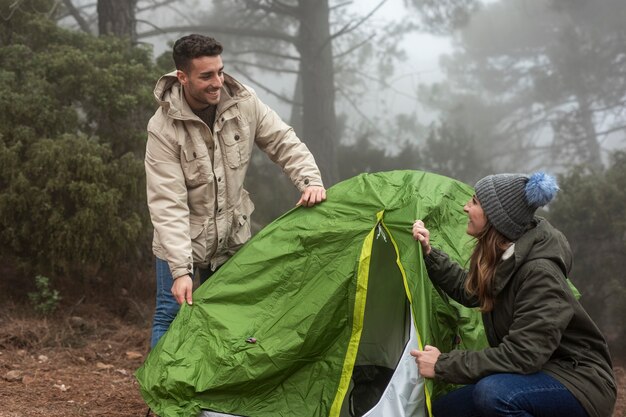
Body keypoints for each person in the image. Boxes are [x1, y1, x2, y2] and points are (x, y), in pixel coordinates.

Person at [145, 34, 326, 348]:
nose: (218, 82)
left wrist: (310, 181)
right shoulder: (162, 129)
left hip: (231, 237)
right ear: (182, 77)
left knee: (227, 319)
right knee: (170, 315)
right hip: (182, 241)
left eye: (220, 71)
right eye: (206, 76)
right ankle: (162, 397)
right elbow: (167, 203)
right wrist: (180, 271)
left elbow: (283, 141)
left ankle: (216, 393)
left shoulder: (243, 101)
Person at [410, 172, 616, 417]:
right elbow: (470, 291)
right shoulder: (509, 259)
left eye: (474, 202)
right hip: (536, 373)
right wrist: (429, 252)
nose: (466, 207)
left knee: (494, 394)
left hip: (577, 382)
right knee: (446, 410)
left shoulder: (540, 273)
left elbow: (523, 355)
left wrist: (443, 364)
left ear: (497, 218)